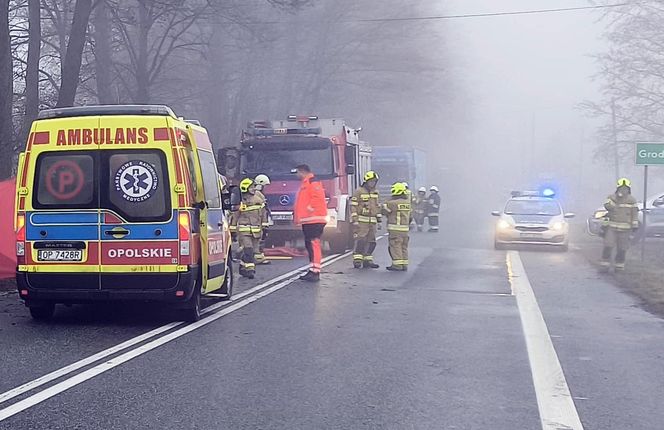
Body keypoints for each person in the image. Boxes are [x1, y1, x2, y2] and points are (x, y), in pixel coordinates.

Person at [294, 164, 328, 282]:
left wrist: (310, 207)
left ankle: (315, 271)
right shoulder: (306, 182)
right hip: (309, 219)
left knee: (314, 245)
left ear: (302, 171)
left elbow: (316, 197)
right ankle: (313, 269)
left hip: (314, 219)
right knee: (310, 245)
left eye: (297, 172)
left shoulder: (312, 181)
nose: (297, 175)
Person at [230, 178, 266, 279]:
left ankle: (242, 267)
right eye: (252, 187)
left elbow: (263, 214)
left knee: (252, 252)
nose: (254, 189)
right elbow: (235, 217)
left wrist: (265, 227)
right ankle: (250, 270)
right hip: (244, 231)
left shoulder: (259, 199)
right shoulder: (240, 201)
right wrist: (232, 231)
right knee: (248, 250)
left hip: (256, 232)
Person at [600, 178, 639, 271]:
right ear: (617, 189)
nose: (623, 190)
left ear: (629, 189)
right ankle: (604, 265)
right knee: (608, 245)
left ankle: (619, 266)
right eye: (621, 188)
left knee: (622, 248)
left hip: (626, 230)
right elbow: (607, 206)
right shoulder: (611, 197)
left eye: (625, 189)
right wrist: (616, 199)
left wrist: (634, 227)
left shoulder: (632, 200)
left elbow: (635, 214)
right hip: (611, 228)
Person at [350, 171, 381, 269]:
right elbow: (353, 206)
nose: (372, 183)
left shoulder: (376, 192)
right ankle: (357, 260)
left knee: (372, 241)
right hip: (362, 220)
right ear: (366, 181)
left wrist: (379, 220)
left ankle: (367, 260)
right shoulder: (359, 191)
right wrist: (355, 219)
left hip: (372, 221)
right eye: (371, 181)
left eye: (374, 181)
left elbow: (377, 206)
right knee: (361, 240)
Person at [382, 182, 412, 271]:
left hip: (395, 230)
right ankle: (404, 264)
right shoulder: (407, 203)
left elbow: (384, 210)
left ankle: (397, 265)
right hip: (405, 230)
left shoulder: (392, 203)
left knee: (395, 246)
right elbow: (410, 216)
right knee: (404, 247)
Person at [254, 174, 272, 265]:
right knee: (257, 240)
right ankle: (257, 258)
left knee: (259, 240)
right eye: (265, 186)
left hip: (258, 222)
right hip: (257, 222)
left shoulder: (259, 194)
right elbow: (262, 210)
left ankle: (259, 257)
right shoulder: (258, 195)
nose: (266, 188)